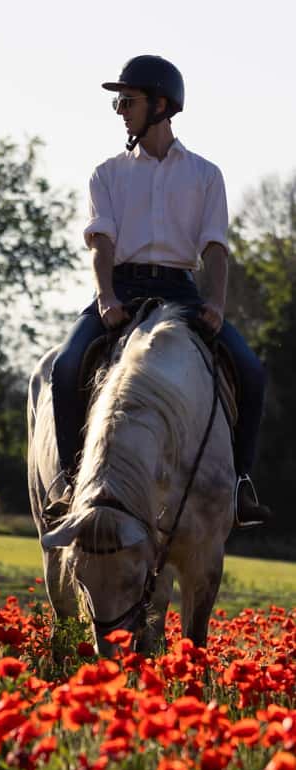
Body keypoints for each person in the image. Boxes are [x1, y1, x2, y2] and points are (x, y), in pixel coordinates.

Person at [47, 55, 270, 527]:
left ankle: (239, 484)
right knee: (65, 367)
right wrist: (106, 297)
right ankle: (68, 483)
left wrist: (216, 303)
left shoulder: (206, 175)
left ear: (161, 106)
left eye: (128, 101)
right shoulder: (106, 173)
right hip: (122, 287)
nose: (120, 111)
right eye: (118, 103)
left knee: (251, 371)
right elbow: (101, 243)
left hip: (181, 292)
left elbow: (215, 248)